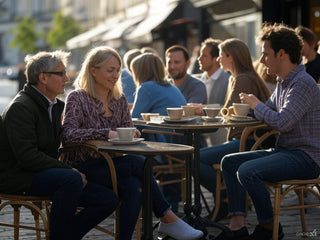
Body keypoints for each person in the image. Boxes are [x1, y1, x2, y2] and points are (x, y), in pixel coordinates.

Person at [61, 46, 203, 240]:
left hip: (114, 166)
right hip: (83, 168)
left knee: (135, 186)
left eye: (117, 70)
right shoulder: (77, 97)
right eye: (110, 70)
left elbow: (126, 130)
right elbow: (68, 134)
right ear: (93, 70)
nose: (116, 75)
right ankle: (168, 218)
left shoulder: (119, 99)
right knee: (139, 163)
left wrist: (132, 134)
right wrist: (106, 133)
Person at [217, 22, 320, 240]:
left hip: (306, 158)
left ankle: (268, 227)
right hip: (285, 151)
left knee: (248, 171)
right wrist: (245, 111)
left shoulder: (302, 83)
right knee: (229, 161)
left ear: (281, 54)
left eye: (266, 54)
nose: (262, 60)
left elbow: (282, 122)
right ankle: (237, 227)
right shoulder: (284, 82)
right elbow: (268, 112)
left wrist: (256, 105)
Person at [0, 50, 117, 240]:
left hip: (41, 172)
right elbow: (27, 156)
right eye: (61, 73)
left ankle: (63, 237)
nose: (67, 78)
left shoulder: (53, 105)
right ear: (43, 78)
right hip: (17, 177)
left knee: (108, 200)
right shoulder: (21, 107)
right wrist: (68, 170)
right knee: (70, 179)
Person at [199, 38, 271, 222]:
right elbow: (231, 112)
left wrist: (203, 110)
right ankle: (226, 200)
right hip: (248, 140)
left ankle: (224, 200)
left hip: (248, 141)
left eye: (222, 55)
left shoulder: (243, 79)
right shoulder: (239, 77)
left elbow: (232, 113)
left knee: (194, 158)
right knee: (197, 157)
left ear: (232, 57)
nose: (219, 59)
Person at [131, 52, 187, 213]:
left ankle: (136, 201)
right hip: (180, 147)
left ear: (140, 72)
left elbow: (132, 122)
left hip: (164, 151)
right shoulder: (170, 86)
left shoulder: (146, 87)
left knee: (129, 156)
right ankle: (170, 204)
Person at [198, 38, 230, 106]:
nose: (199, 59)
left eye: (204, 56)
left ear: (215, 59)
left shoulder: (228, 80)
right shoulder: (200, 79)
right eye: (200, 55)